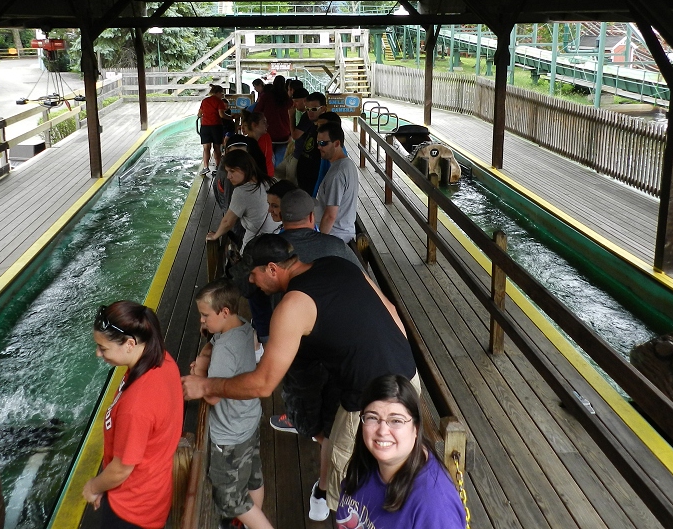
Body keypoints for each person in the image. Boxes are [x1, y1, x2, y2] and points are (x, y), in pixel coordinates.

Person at [181, 235, 416, 522]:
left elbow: (263, 383)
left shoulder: (291, 306)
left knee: (348, 483)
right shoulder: (337, 264)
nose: (252, 283)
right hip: (408, 381)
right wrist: (397, 366)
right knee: (399, 470)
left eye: (253, 275)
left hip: (370, 402)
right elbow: (390, 310)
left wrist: (205, 385)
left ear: (271, 269)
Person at [266, 189, 360, 440]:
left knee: (301, 392)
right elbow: (361, 283)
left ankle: (301, 421)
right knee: (333, 406)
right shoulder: (335, 246)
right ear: (311, 217)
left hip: (293, 342)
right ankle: (325, 438)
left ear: (282, 218)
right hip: (335, 338)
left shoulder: (271, 252)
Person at [83, 302, 183, 529]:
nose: (98, 353)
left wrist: (94, 487)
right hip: (153, 489)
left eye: (103, 347)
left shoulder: (137, 405)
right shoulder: (162, 360)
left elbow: (121, 469)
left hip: (132, 508)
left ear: (130, 343)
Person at [190, 280, 274, 529]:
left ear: (224, 312)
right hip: (248, 419)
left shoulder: (225, 349)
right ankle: (250, 522)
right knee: (253, 478)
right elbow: (213, 342)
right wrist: (206, 355)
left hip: (229, 435)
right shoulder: (243, 327)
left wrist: (200, 375)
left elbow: (213, 395)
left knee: (230, 500)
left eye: (205, 316)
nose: (202, 322)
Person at [335, 375, 466, 529]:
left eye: (396, 421)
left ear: (416, 428)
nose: (382, 431)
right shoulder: (367, 462)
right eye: (372, 418)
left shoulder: (434, 506)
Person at [206, 150, 279, 252]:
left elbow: (227, 222)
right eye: (227, 172)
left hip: (255, 245)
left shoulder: (242, 192)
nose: (228, 176)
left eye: (232, 171)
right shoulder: (272, 181)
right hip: (276, 240)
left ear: (245, 169)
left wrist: (215, 236)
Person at [315, 122, 359, 244]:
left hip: (335, 236)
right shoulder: (347, 164)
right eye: (318, 142)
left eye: (323, 143)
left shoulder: (337, 174)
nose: (319, 147)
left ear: (337, 143)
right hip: (342, 232)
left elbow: (330, 215)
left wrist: (319, 242)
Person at [255, 75, 293, 165]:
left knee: (267, 158)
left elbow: (257, 112)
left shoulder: (266, 97)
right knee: (280, 160)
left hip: (268, 132)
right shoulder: (288, 100)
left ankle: (269, 176)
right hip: (284, 133)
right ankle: (277, 177)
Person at [294, 92, 327, 194]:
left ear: (323, 109)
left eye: (314, 109)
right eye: (307, 109)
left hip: (314, 183)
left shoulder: (326, 132)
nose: (309, 112)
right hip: (304, 179)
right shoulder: (312, 125)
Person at [199, 85, 228, 176]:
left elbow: (199, 114)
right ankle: (217, 167)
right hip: (216, 126)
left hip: (205, 127)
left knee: (206, 148)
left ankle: (205, 167)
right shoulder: (219, 101)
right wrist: (230, 118)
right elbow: (222, 115)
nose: (222, 95)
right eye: (221, 93)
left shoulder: (205, 101)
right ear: (218, 92)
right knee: (217, 148)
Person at [243, 111, 275, 177]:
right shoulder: (252, 147)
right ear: (254, 125)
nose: (267, 125)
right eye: (264, 122)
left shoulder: (251, 143)